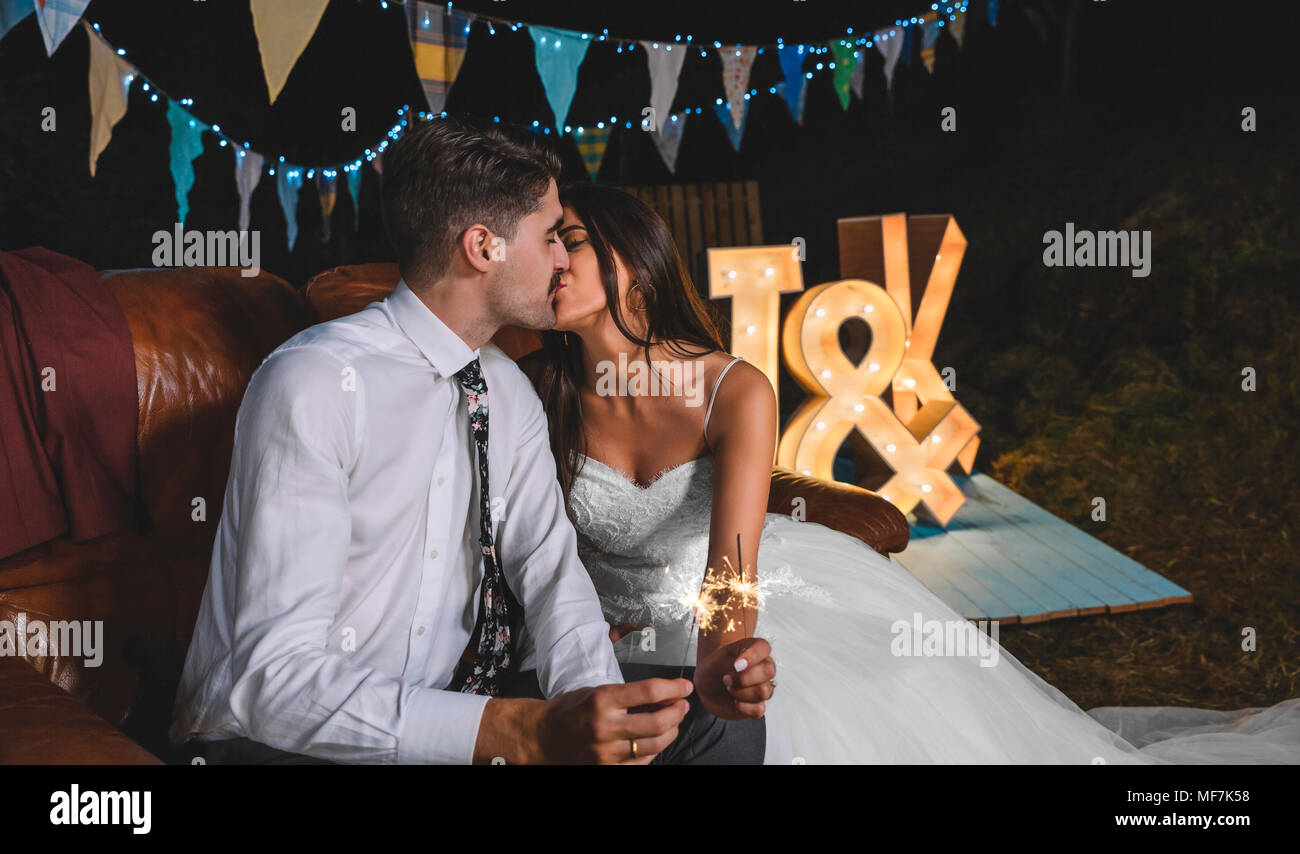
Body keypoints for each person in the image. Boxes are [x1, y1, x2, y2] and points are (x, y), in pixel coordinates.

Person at [521, 180, 1300, 764]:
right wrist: (583, 627)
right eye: (547, 243)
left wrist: (720, 662)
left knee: (833, 714)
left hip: (725, 611)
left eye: (571, 240)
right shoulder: (534, 391)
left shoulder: (734, 390)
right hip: (596, 628)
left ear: (636, 259)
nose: (552, 259)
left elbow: (731, 571)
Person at [168, 117, 770, 765]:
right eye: (551, 237)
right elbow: (273, 681)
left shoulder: (507, 391)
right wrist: (519, 731)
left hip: (449, 703)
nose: (562, 260)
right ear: (484, 248)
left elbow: (554, 579)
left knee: (712, 727)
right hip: (280, 738)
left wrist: (599, 713)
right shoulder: (316, 382)